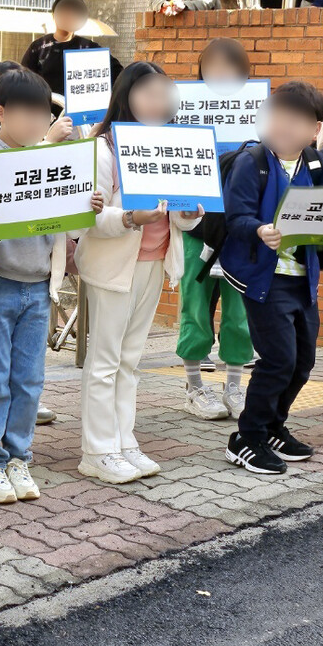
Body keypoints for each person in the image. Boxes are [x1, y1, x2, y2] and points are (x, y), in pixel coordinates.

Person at [0, 70, 97, 503]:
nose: (39, 122)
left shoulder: (52, 159)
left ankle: (18, 457)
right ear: (1, 113)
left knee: (28, 380)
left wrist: (87, 207)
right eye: (29, 113)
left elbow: (68, 228)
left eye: (44, 115)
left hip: (40, 287)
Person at [74, 62, 204, 484]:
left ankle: (123, 440)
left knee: (129, 360)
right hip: (112, 268)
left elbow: (181, 215)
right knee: (105, 361)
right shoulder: (104, 149)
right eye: (147, 93)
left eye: (163, 94)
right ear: (125, 96)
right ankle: (97, 451)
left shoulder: (173, 144)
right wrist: (131, 217)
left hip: (155, 263)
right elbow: (87, 219)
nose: (156, 102)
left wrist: (189, 213)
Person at [220, 82, 323, 474]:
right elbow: (236, 218)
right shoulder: (253, 161)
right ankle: (246, 437)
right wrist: (259, 230)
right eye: (278, 117)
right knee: (279, 360)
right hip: (264, 278)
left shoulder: (315, 164)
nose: (284, 126)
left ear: (314, 130)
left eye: (296, 120)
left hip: (303, 278)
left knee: (303, 362)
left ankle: (272, 427)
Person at [179, 39, 254, 421]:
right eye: (214, 66)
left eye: (230, 66)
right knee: (195, 305)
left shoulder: (257, 114)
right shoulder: (184, 111)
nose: (221, 73)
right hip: (197, 227)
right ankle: (194, 387)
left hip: (241, 230)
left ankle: (234, 388)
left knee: (239, 311)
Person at [20, 0, 123, 101]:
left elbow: (118, 73)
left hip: (81, 109)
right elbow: (23, 79)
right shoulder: (38, 47)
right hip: (46, 108)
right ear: (54, 15)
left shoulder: (89, 48)